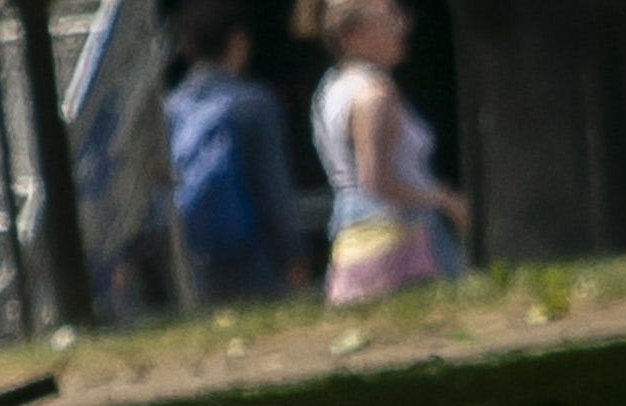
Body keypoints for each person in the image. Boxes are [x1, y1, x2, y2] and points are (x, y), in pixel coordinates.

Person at [309, 0, 468, 299]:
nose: (402, 26)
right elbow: (375, 181)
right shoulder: (374, 95)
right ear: (352, 37)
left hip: (353, 234)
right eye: (387, 19)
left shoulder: (332, 87)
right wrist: (443, 199)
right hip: (400, 236)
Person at [169, 0, 308, 303]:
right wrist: (292, 256)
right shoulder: (252, 104)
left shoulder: (173, 107)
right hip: (255, 259)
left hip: (197, 257)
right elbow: (272, 189)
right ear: (237, 41)